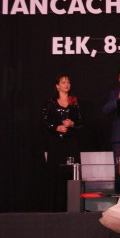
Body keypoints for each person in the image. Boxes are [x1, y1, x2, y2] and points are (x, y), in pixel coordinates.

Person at [43, 74, 82, 211]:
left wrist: (72, 123)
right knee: (56, 173)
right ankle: (55, 207)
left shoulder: (74, 101)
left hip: (71, 142)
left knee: (71, 172)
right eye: (63, 82)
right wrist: (56, 127)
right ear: (57, 86)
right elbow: (45, 122)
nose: (66, 85)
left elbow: (81, 122)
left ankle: (73, 206)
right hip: (56, 143)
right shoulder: (51, 103)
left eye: (68, 82)